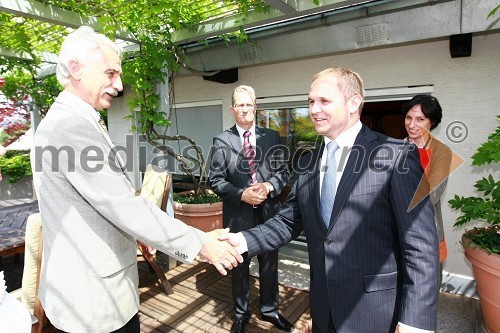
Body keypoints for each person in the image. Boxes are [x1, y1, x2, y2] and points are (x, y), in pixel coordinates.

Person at [30, 26, 242, 333]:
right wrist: (200, 243)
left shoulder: (73, 120)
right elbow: (123, 206)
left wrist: (140, 233)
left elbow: (98, 207)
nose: (118, 85)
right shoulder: (70, 128)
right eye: (111, 73)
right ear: (76, 69)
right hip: (95, 304)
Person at [222, 67, 439, 333]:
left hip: (374, 313)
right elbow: (287, 222)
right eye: (311, 101)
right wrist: (241, 240)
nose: (314, 109)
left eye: (324, 101)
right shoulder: (308, 161)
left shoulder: (397, 156)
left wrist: (415, 322)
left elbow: (420, 247)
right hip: (324, 308)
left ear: (354, 103)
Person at [208, 85, 292, 333]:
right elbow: (216, 180)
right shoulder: (222, 140)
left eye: (249, 104)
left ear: (255, 107)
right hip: (239, 213)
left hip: (269, 212)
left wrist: (269, 186)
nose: (245, 109)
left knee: (269, 263)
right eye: (240, 105)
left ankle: (270, 310)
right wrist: (241, 194)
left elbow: (283, 171)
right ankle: (241, 314)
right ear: (233, 109)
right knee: (239, 264)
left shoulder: (272, 137)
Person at [403, 94, 451, 284]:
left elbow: (432, 195)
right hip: (394, 231)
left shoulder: (442, 152)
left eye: (420, 119)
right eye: (408, 117)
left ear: (433, 121)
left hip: (426, 231)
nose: (412, 124)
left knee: (426, 288)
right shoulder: (393, 148)